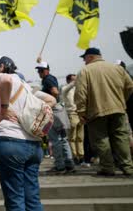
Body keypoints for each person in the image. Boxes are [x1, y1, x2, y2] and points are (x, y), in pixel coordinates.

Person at [0, 56, 55, 211]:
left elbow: (6, 81)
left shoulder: (3, 78)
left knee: (15, 200)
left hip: (10, 143)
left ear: (2, 67)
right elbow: (51, 100)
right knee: (33, 200)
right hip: (33, 145)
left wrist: (4, 107)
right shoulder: (26, 86)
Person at [75, 48, 133, 176]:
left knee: (101, 140)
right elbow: (130, 86)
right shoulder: (117, 68)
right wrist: (121, 100)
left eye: (84, 58)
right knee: (121, 138)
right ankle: (128, 167)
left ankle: (107, 167)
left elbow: (80, 94)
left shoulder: (85, 71)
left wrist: (81, 112)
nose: (84, 61)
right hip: (118, 109)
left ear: (90, 57)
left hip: (96, 111)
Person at [36, 61, 75, 174]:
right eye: (38, 71)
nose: (39, 73)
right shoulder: (50, 78)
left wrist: (49, 103)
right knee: (63, 139)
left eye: (41, 70)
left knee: (55, 140)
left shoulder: (47, 79)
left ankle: (60, 166)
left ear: (47, 70)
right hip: (59, 110)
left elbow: (55, 92)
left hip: (53, 110)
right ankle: (69, 164)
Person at [61, 74, 85, 165]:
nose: (75, 82)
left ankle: (81, 156)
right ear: (68, 81)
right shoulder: (65, 89)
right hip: (71, 114)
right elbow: (67, 88)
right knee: (72, 137)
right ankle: (75, 156)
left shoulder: (77, 89)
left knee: (80, 137)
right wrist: (76, 82)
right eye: (73, 80)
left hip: (80, 114)